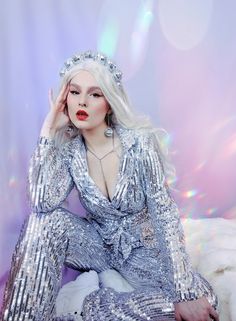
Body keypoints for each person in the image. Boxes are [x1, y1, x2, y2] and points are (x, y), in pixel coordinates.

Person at [1, 50, 219, 321]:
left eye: (95, 94)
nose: (82, 102)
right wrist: (48, 131)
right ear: (64, 100)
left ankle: (96, 307)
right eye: (74, 92)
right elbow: (42, 203)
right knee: (44, 222)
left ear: (109, 103)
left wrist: (183, 291)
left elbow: (164, 215)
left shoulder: (138, 144)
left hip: (143, 253)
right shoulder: (70, 151)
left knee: (204, 299)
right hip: (98, 248)